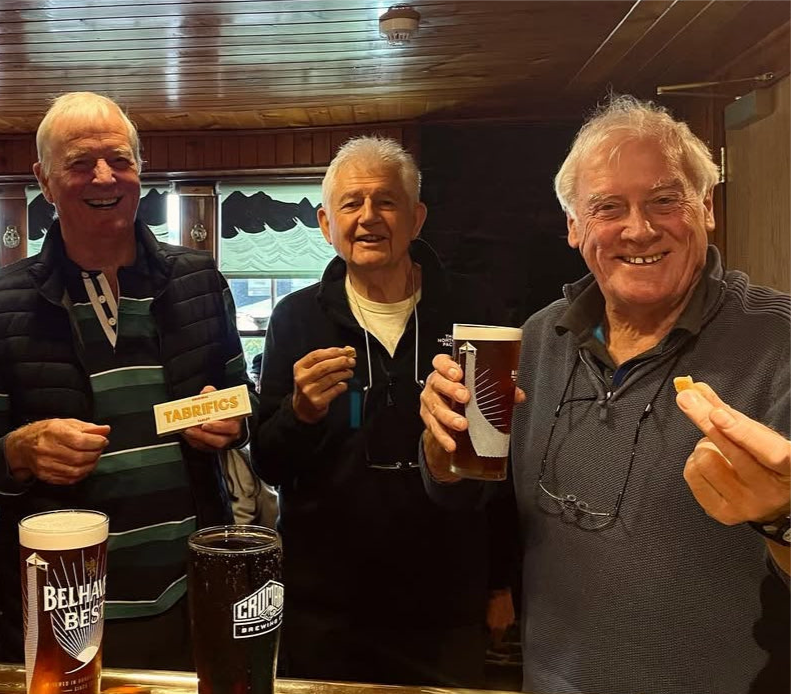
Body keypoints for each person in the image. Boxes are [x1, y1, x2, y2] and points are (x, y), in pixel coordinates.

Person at [419, 95, 791, 694]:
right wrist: (442, 454)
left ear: (706, 207)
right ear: (574, 226)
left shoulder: (779, 341)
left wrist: (782, 518)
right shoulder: (540, 338)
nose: (639, 229)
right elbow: (473, 501)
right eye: (608, 208)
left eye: (665, 200)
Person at [0, 92, 257, 670]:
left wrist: (235, 420)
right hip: (60, 609)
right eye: (79, 163)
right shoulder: (5, 301)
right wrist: (17, 451)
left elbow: (246, 401)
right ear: (43, 180)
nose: (103, 177)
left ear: (141, 168)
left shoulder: (199, 279)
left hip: (192, 593)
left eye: (119, 159)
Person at [252, 136, 515, 687]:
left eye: (386, 202)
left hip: (446, 600)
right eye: (351, 203)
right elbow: (270, 463)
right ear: (326, 224)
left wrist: (501, 582)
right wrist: (300, 412)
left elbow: (503, 460)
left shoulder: (475, 311)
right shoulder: (296, 319)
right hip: (326, 607)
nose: (368, 217)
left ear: (416, 218)